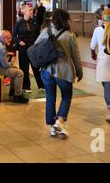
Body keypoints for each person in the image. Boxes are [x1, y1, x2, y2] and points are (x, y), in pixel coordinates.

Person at [34, 9, 83, 138]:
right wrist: (79, 71)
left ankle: (52, 127)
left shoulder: (46, 31)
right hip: (64, 72)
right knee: (66, 96)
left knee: (50, 97)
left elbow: (36, 46)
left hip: (46, 71)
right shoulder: (70, 35)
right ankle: (59, 122)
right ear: (66, 20)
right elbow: (76, 56)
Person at [0, 30, 28, 103]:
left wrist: (8, 58)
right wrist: (12, 62)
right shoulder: (0, 47)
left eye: (11, 37)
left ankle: (12, 91)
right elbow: (5, 65)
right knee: (20, 73)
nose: (11, 39)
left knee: (15, 70)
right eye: (9, 38)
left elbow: (2, 57)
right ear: (3, 38)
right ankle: (18, 96)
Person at [13, 6, 44, 93]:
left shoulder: (34, 22)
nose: (31, 12)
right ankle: (26, 86)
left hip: (33, 48)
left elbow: (38, 35)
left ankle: (41, 85)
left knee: (36, 66)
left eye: (32, 10)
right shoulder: (19, 23)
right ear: (25, 12)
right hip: (23, 48)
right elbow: (14, 35)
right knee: (24, 67)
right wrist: (19, 42)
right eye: (30, 10)